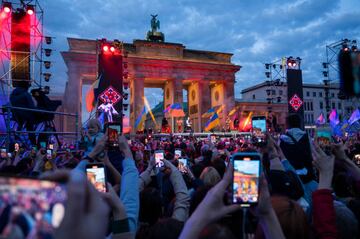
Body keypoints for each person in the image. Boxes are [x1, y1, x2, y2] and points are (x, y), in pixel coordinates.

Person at [280, 114, 315, 183]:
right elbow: (313, 154)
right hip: (307, 176)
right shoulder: (307, 137)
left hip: (290, 176)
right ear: (299, 123)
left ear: (288, 124)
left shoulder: (282, 139)